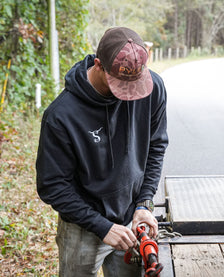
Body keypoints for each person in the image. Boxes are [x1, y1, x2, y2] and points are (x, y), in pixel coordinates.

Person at [36, 27, 168, 276]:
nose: (130, 96)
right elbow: (52, 185)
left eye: (135, 85)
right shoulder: (61, 116)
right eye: (120, 85)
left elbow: (156, 146)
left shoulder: (153, 89)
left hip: (132, 218)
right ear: (98, 65)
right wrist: (102, 226)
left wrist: (144, 203)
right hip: (82, 226)